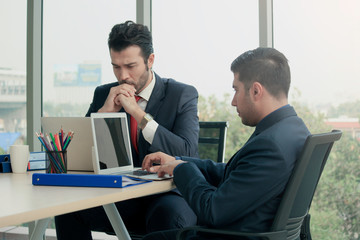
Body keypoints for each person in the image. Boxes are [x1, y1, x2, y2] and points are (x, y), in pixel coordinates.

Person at [141, 47, 311, 240]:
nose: (233, 101)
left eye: (236, 90)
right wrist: (177, 161)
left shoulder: (271, 146)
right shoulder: (294, 129)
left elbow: (212, 211)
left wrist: (183, 170)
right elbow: (236, 174)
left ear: (256, 91)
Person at [55, 21, 198, 239]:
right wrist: (103, 113)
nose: (123, 76)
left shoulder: (181, 94)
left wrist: (139, 115)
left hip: (167, 195)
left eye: (130, 66)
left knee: (168, 216)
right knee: (67, 208)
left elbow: (187, 151)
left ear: (150, 60)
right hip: (122, 196)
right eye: (116, 66)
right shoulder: (104, 94)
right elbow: (77, 156)